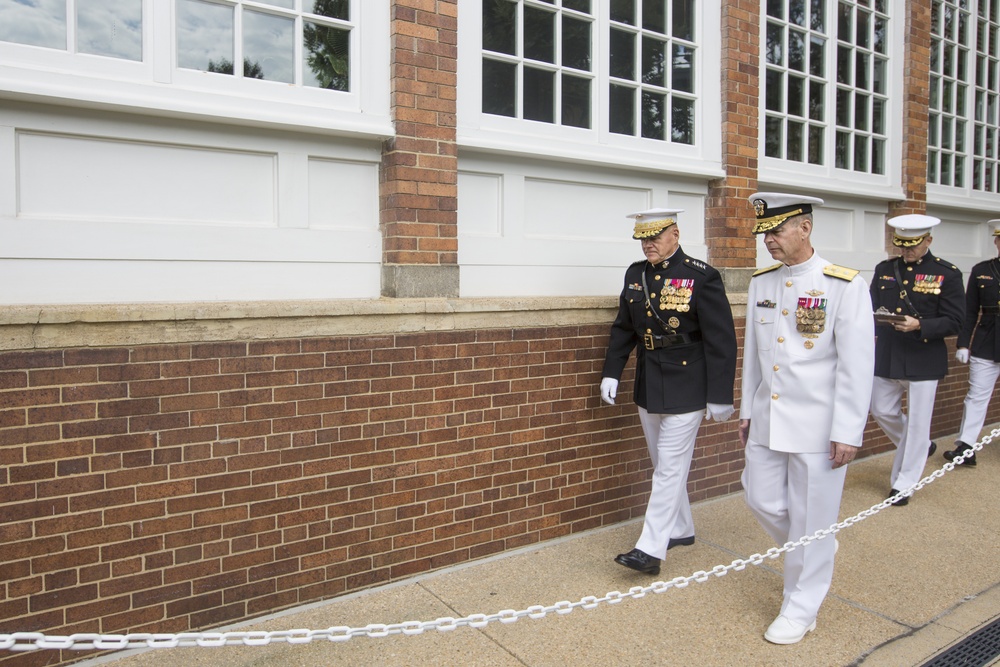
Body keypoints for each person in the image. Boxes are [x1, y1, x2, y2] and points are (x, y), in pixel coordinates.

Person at [739, 192, 874, 645]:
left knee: (813, 520)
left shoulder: (844, 284)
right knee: (760, 499)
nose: (769, 242)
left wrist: (848, 430)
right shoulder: (763, 281)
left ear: (805, 228)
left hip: (820, 425)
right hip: (768, 416)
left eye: (776, 231)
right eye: (764, 233)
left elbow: (857, 366)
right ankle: (818, 546)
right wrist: (747, 409)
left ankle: (801, 607)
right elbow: (755, 358)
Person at [600, 207, 737, 576]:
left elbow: (722, 340)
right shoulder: (635, 274)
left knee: (669, 468)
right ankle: (681, 528)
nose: (648, 245)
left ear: (675, 234)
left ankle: (649, 548)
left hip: (689, 382)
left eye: (655, 237)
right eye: (643, 239)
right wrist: (613, 371)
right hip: (650, 380)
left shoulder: (701, 277)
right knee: (664, 465)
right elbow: (623, 328)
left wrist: (721, 394)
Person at [870, 215, 965, 505]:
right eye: (901, 245)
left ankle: (904, 482)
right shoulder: (885, 269)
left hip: (924, 356)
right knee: (881, 409)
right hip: (888, 353)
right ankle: (921, 447)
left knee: (919, 422)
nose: (906, 251)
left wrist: (920, 325)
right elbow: (871, 306)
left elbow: (955, 321)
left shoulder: (946, 274)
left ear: (928, 241)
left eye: (912, 245)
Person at [947, 217, 1000, 466]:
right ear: (997, 242)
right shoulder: (982, 270)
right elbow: (970, 311)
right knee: (976, 396)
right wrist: (963, 343)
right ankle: (966, 447)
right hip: (987, 340)